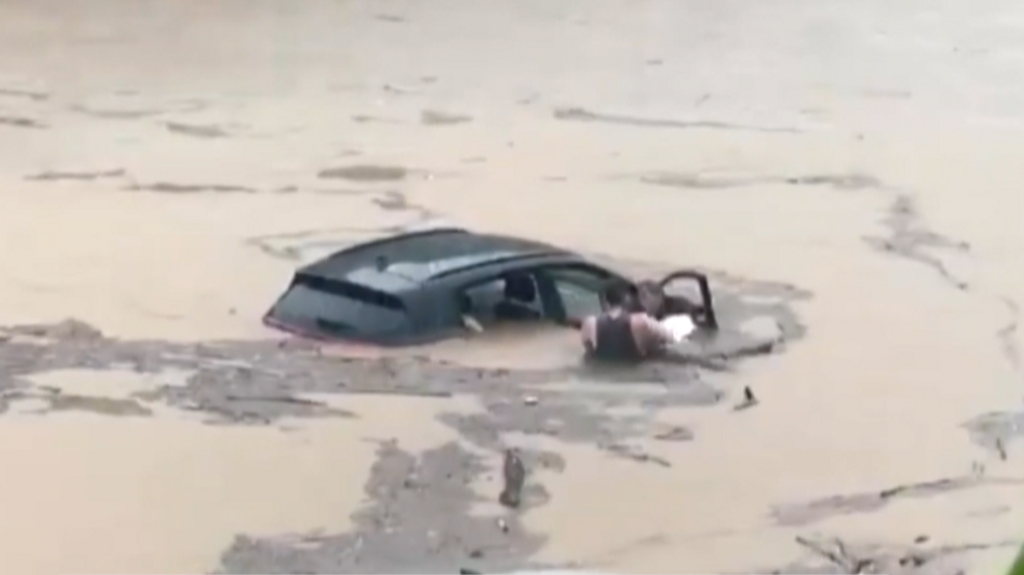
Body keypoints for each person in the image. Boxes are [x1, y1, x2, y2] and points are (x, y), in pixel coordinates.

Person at [580, 280, 674, 362]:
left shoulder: (590, 323)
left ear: (605, 302)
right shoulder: (642, 322)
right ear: (628, 299)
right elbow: (669, 338)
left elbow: (589, 356)